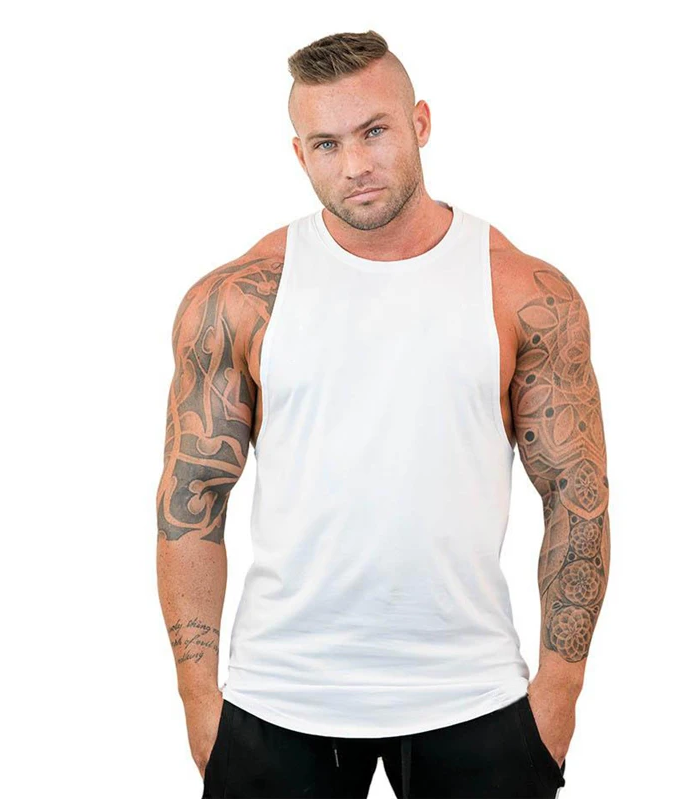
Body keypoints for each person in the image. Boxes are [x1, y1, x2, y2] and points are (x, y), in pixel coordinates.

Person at [156, 29, 611, 799]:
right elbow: (191, 499)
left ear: (420, 122)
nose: (355, 165)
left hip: (473, 693)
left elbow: (577, 496)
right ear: (300, 154)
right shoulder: (238, 297)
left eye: (374, 132)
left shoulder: (521, 291)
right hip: (279, 694)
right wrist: (199, 699)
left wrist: (558, 695)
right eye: (327, 144)